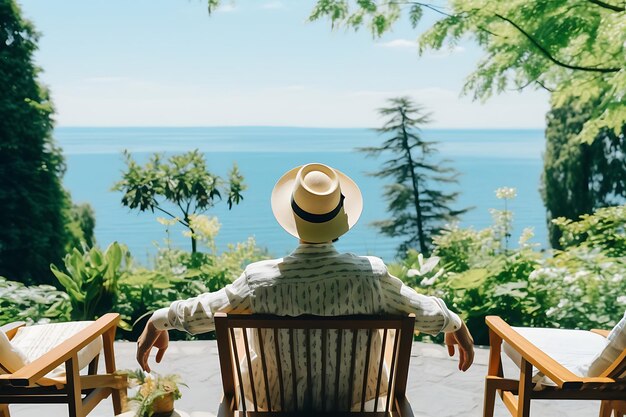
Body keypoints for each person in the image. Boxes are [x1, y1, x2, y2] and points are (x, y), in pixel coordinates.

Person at [137, 162, 474, 410]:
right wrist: (454, 324)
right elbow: (426, 313)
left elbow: (206, 310)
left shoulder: (258, 281)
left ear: (293, 220)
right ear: (342, 219)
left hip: (276, 404)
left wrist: (160, 318)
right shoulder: (372, 276)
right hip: (355, 403)